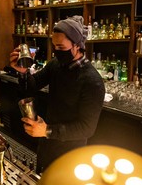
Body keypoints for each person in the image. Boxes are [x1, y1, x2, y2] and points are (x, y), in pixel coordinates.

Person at [10, 15, 105, 174]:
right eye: (54, 46)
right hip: (47, 145)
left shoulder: (92, 81)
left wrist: (47, 130)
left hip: (71, 152)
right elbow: (32, 86)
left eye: (61, 47)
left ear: (77, 45)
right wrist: (23, 72)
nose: (56, 52)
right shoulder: (56, 64)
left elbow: (87, 128)